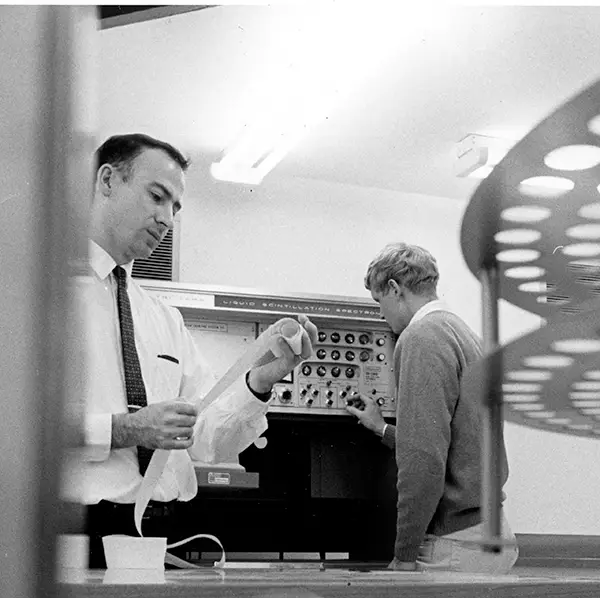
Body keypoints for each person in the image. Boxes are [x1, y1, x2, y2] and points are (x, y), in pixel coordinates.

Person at [68, 133, 317, 567]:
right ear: (107, 181)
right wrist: (125, 430)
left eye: (175, 208)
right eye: (157, 196)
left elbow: (205, 440)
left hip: (157, 534)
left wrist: (262, 380)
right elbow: (17, 430)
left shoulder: (164, 319)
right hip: (70, 537)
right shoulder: (33, 298)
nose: (167, 219)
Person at [345, 242, 518, 574]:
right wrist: (382, 428)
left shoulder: (420, 337)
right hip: (489, 535)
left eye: (379, 303)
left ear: (395, 289)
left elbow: (424, 460)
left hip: (455, 544)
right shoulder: (463, 333)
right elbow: (457, 440)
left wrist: (405, 553)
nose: (382, 315)